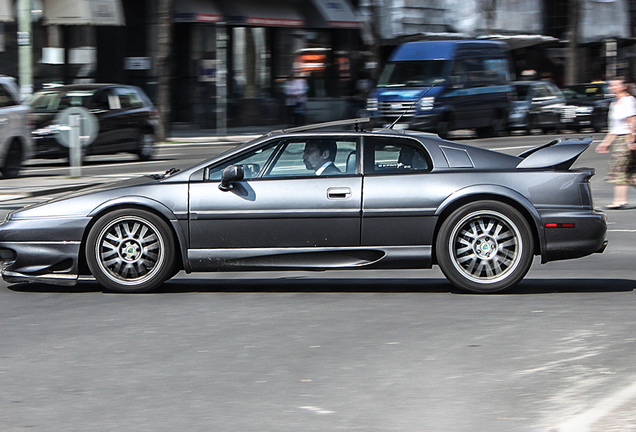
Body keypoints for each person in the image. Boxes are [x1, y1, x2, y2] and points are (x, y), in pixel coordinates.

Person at [596, 77, 636, 209]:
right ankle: (619, 200)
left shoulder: (628, 100)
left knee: (620, 170)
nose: (611, 88)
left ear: (624, 86)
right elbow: (614, 128)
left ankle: (620, 201)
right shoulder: (614, 103)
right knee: (630, 173)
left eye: (614, 85)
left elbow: (632, 121)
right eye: (610, 86)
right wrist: (605, 143)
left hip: (626, 139)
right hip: (619, 139)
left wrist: (632, 140)